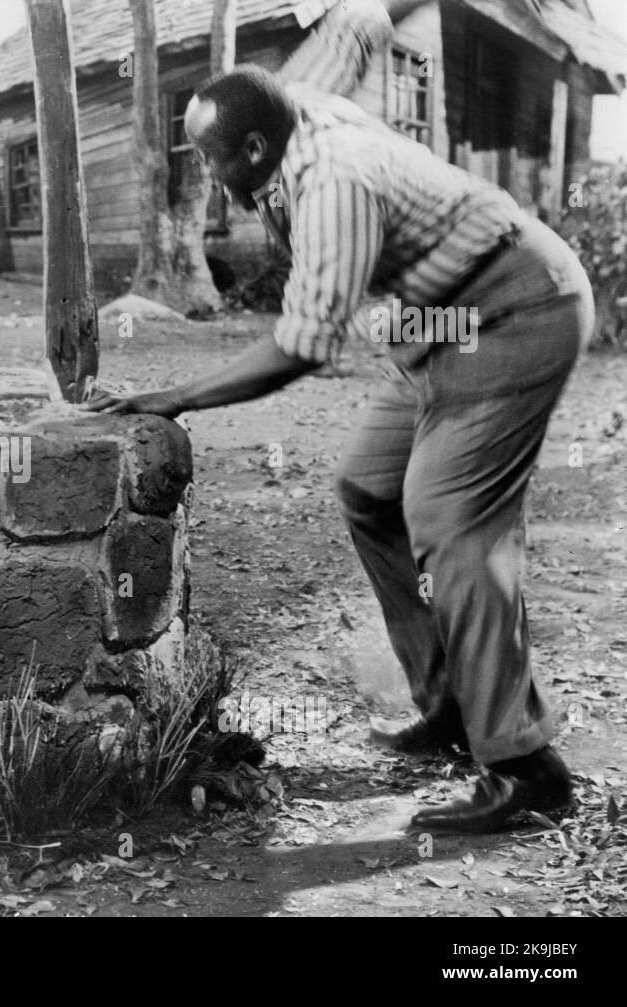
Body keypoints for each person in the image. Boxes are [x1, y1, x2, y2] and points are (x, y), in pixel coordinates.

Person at [87, 0, 591, 834]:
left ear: (255, 148)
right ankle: (453, 709)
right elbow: (359, 20)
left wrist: (173, 396)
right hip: (435, 322)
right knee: (369, 489)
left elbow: (302, 347)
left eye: (214, 162)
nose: (210, 179)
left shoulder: (336, 184)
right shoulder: (284, 102)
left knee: (451, 520)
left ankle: (525, 765)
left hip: (516, 307)